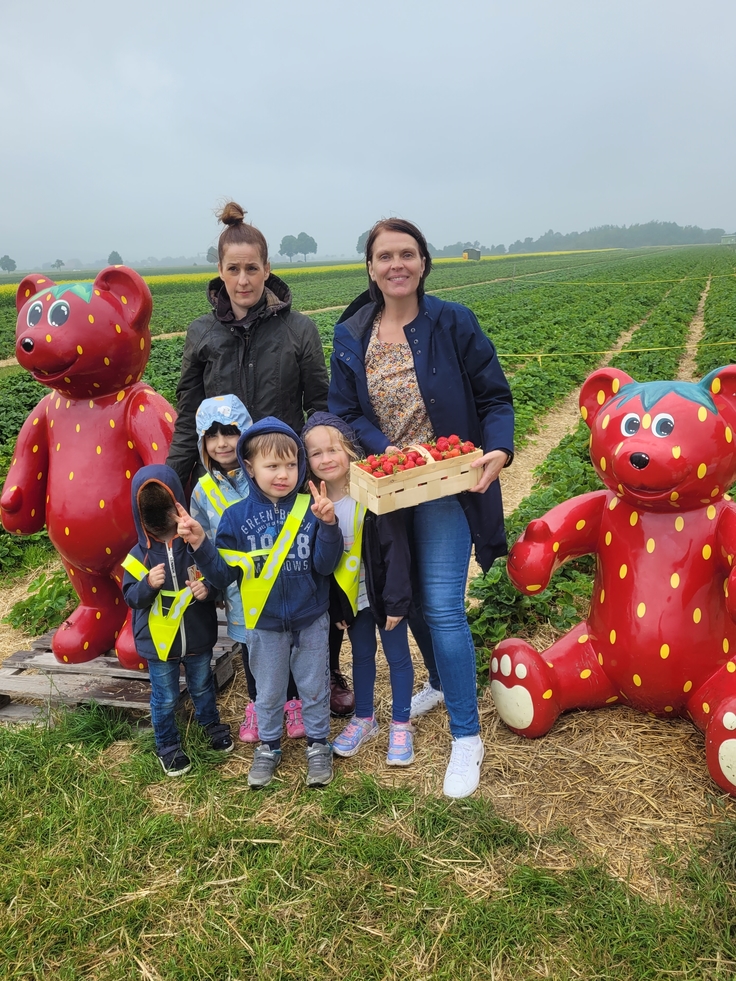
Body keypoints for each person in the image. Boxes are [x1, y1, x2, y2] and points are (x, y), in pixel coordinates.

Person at [328, 218, 514, 799]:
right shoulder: (351, 332)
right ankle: (437, 681)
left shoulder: (453, 321)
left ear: (424, 262)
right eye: (385, 256)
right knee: (399, 605)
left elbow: (494, 395)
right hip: (388, 489)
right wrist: (386, 450)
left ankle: (466, 736)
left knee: (440, 607)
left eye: (407, 254)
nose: (396, 265)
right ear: (370, 266)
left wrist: (500, 449)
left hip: (446, 484)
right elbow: (344, 410)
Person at [176, 417, 344, 789]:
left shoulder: (310, 510)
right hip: (263, 624)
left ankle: (318, 744)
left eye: (291, 464)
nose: (283, 474)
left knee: (314, 685)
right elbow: (222, 577)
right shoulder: (235, 519)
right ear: (250, 467)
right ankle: (268, 747)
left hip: (311, 617)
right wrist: (201, 543)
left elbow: (325, 565)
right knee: (267, 690)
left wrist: (329, 527)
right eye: (272, 465)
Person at [166, 201, 329, 488]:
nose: (243, 280)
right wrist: (171, 485)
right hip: (222, 484)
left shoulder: (300, 330)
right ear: (220, 270)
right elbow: (190, 418)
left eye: (252, 268)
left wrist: (313, 473)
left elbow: (319, 409)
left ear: (266, 269)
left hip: (284, 480)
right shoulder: (201, 333)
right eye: (233, 269)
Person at [189, 394, 306, 743]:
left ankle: (292, 702)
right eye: (212, 435)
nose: (222, 442)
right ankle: (257, 704)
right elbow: (204, 543)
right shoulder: (202, 491)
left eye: (231, 431)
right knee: (251, 649)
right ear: (202, 443)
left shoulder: (263, 477)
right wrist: (210, 583)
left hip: (283, 583)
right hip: (239, 592)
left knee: (287, 646)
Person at [302, 412, 416, 765]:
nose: (326, 459)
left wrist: (398, 599)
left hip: (383, 592)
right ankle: (365, 717)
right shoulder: (311, 504)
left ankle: (401, 722)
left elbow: (396, 546)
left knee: (397, 655)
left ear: (350, 449)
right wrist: (336, 608)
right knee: (361, 655)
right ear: (307, 461)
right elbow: (322, 564)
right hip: (351, 597)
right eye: (316, 453)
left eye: (333, 449)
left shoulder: (372, 490)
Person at [122, 464, 234, 777]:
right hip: (159, 644)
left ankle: (210, 725)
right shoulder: (137, 556)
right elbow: (130, 597)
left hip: (197, 637)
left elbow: (217, 577)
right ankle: (168, 745)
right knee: (165, 696)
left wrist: (207, 590)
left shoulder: (195, 545)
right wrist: (147, 586)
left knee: (202, 686)